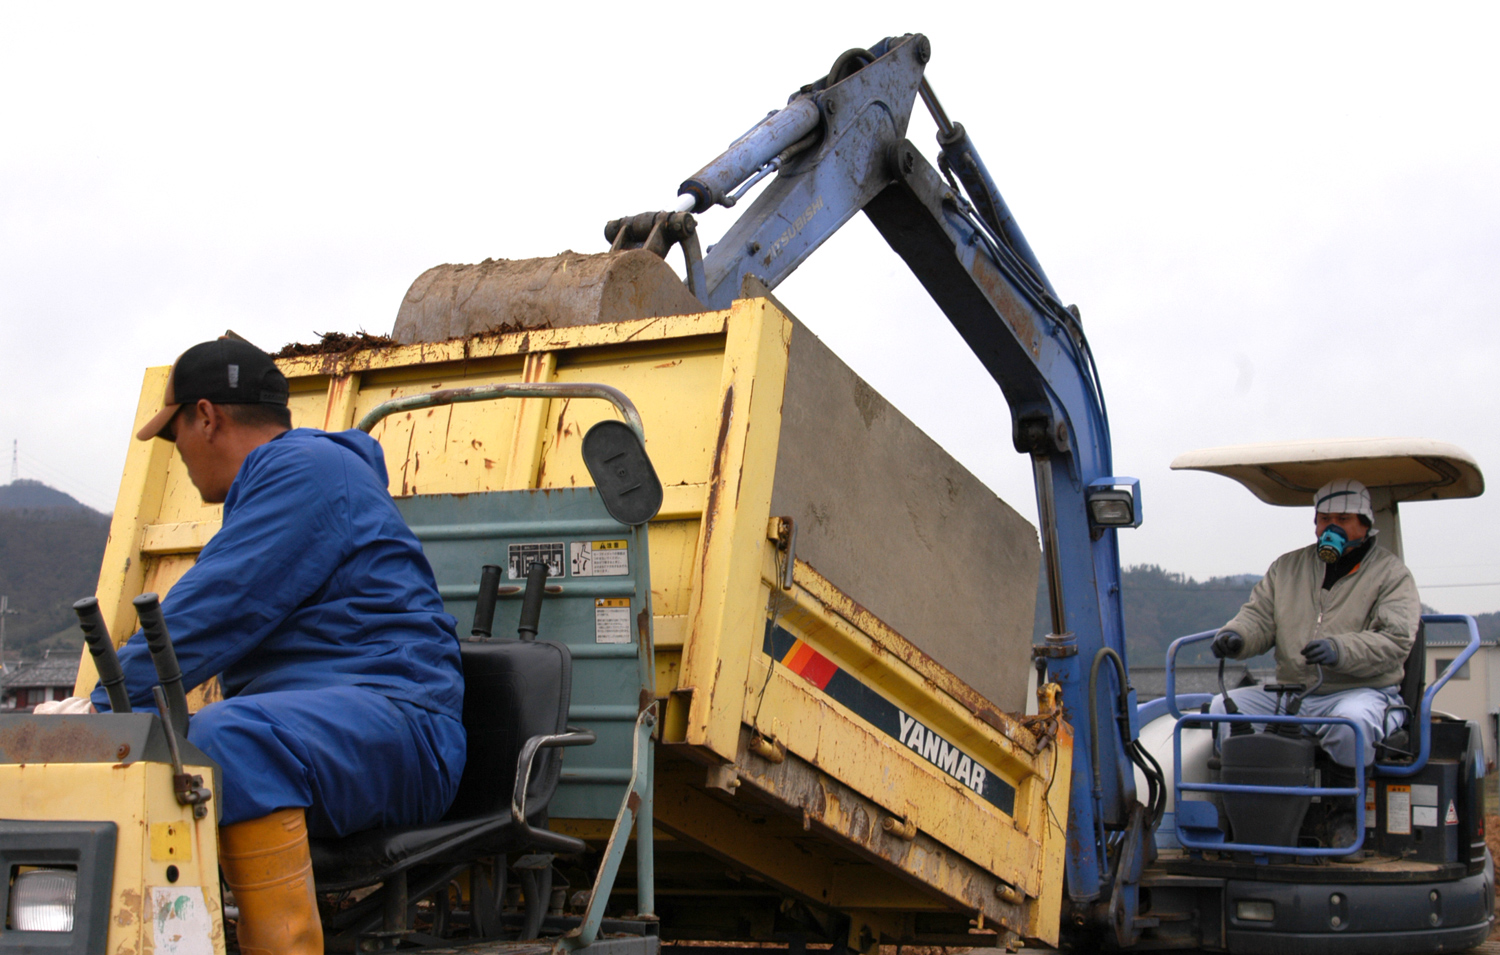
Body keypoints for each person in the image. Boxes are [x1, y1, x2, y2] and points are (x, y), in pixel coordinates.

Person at [39, 337, 466, 955]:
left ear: (206, 417)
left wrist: (102, 708)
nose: (179, 454)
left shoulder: (308, 472)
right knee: (179, 750)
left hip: (403, 727)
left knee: (226, 739)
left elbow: (220, 604)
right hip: (342, 730)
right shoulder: (286, 482)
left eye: (175, 435)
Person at [1209, 478, 1420, 769]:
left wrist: (1340, 650)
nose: (1332, 527)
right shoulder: (1286, 567)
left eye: (1343, 519)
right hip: (1292, 693)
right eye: (1324, 519)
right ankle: (1248, 790)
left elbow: (1395, 640)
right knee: (1222, 709)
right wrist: (1237, 636)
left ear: (1365, 523)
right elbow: (1258, 617)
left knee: (1352, 724)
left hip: (1360, 691)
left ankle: (1347, 796)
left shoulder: (1392, 574)